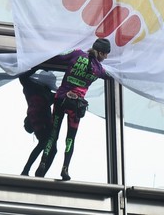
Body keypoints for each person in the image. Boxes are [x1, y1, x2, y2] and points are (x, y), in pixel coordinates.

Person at [34, 37, 112, 181]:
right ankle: (65, 169)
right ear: (100, 53)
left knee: (53, 134)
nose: (106, 57)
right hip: (76, 107)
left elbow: (58, 57)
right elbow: (110, 76)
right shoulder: (99, 69)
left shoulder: (77, 54)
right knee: (70, 138)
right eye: (106, 54)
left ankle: (43, 163)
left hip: (61, 100)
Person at [19, 69, 56, 176]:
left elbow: (63, 97)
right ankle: (27, 170)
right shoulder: (32, 87)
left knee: (52, 148)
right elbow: (22, 78)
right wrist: (38, 66)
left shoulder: (48, 93)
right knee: (45, 143)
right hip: (37, 116)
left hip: (43, 118)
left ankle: (39, 173)